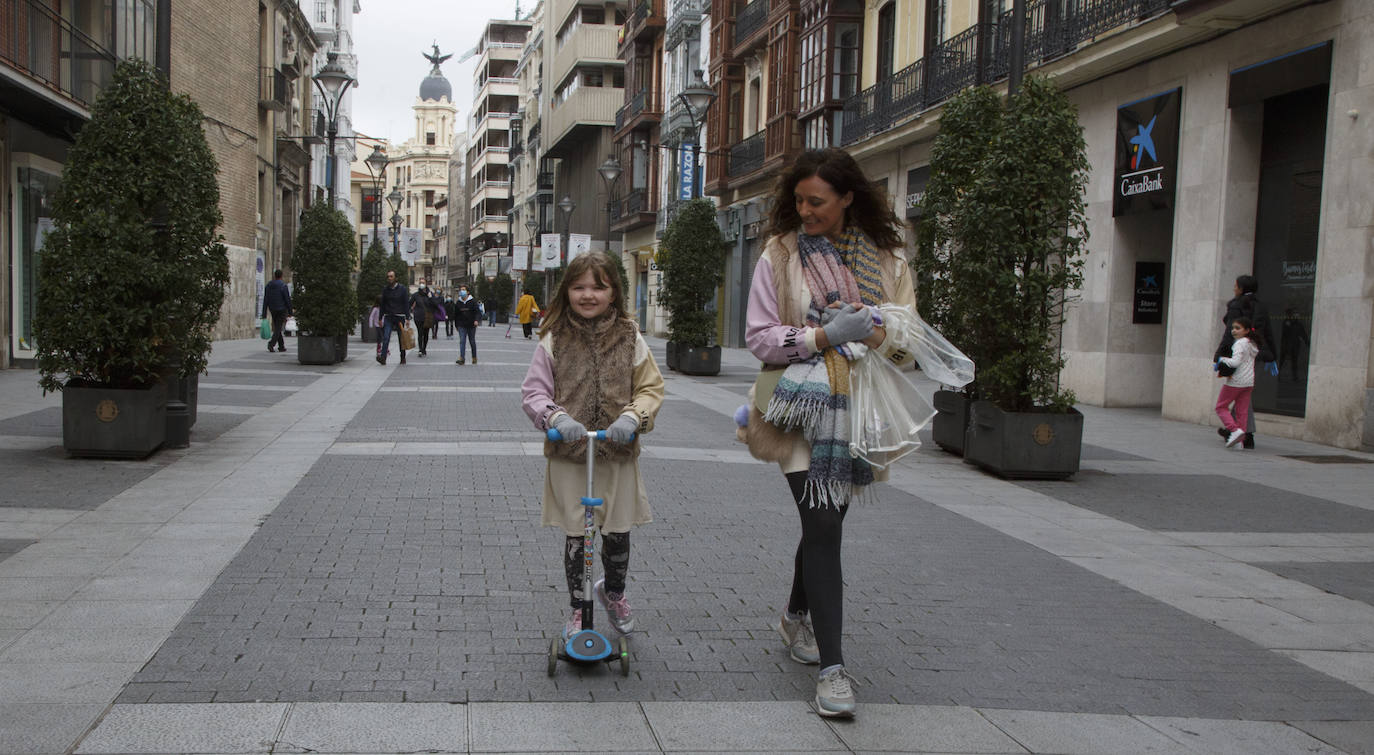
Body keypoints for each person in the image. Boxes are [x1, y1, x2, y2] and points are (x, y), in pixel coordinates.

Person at [743, 147, 918, 719]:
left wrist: (871, 332)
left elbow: (907, 345)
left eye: (816, 201)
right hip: (796, 408)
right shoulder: (780, 253)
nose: (804, 210)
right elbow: (760, 338)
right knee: (822, 521)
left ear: (847, 198)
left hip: (859, 409)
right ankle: (833, 671)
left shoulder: (889, 259)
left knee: (827, 524)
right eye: (797, 200)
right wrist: (821, 336)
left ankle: (796, 616)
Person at [521, 252, 664, 642]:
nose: (588, 295)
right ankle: (578, 609)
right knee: (577, 536)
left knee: (617, 533)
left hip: (615, 454)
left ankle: (613, 593)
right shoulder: (554, 338)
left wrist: (633, 418)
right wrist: (554, 418)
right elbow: (533, 391)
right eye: (579, 286)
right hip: (570, 455)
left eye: (598, 287)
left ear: (613, 292)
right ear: (566, 291)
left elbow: (651, 387)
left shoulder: (630, 336)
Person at [1213, 275, 1275, 449]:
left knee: (1222, 405)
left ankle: (1237, 432)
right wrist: (1272, 355)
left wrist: (1219, 357)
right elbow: (1267, 333)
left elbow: (1228, 337)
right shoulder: (1253, 340)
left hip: (1237, 371)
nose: (1233, 288)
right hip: (1250, 373)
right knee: (1242, 405)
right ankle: (1239, 435)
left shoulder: (1237, 307)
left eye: (1235, 286)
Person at [1216, 316, 1259, 448]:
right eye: (1233, 328)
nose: (1234, 331)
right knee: (1242, 412)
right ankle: (1239, 442)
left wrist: (1222, 360)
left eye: (1238, 328)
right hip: (1249, 382)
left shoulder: (1239, 343)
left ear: (1246, 330)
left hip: (1236, 381)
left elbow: (1235, 362)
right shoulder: (1251, 343)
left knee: (1220, 407)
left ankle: (1234, 430)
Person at [378, 269, 410, 365]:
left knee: (401, 338)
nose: (389, 278)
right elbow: (382, 304)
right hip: (389, 316)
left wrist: (407, 318)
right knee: (386, 337)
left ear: (395, 278)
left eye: (391, 276)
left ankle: (403, 357)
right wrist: (380, 318)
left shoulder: (402, 289)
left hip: (399, 317)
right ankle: (383, 358)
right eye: (388, 277)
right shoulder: (385, 290)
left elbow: (406, 304)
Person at [261, 269, 293, 353]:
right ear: (281, 276)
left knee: (277, 327)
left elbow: (266, 299)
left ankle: (281, 346)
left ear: (274, 276)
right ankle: (271, 344)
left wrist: (264, 313)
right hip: (282, 309)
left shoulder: (268, 285)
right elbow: (287, 299)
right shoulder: (283, 286)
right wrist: (290, 311)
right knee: (278, 328)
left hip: (272, 309)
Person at [452, 285, 482, 365]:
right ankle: (462, 358)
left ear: (468, 292)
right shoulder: (458, 302)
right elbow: (456, 315)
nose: (462, 291)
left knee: (472, 341)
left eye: (464, 290)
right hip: (461, 325)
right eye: (461, 290)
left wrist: (476, 320)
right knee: (462, 341)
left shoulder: (472, 301)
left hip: (471, 325)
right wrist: (456, 325)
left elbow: (477, 312)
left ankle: (474, 357)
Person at [410, 279, 436, 357]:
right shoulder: (415, 295)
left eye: (423, 283)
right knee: (420, 333)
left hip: (427, 317)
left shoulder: (430, 294)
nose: (421, 284)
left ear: (426, 284)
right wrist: (408, 314)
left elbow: (435, 304)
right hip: (418, 317)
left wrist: (431, 297)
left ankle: (424, 348)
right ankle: (420, 350)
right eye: (420, 283)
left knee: (426, 334)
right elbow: (409, 304)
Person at [368, 295, 383, 359]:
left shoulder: (383, 308)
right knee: (380, 338)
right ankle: (379, 350)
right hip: (377, 325)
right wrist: (371, 325)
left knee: (384, 338)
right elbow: (371, 316)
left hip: (384, 325)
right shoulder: (375, 309)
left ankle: (383, 349)